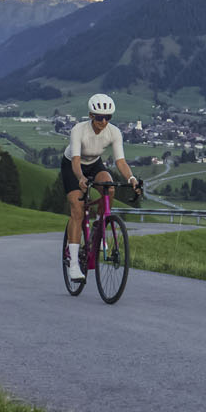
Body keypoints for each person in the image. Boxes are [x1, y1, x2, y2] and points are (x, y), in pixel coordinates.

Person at [62, 93, 142, 282]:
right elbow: (75, 161)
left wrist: (131, 178)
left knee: (109, 187)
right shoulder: (78, 130)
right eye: (99, 117)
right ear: (91, 116)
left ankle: (100, 223)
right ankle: (74, 264)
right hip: (73, 165)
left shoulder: (113, 132)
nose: (104, 121)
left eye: (108, 117)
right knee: (77, 209)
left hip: (95, 164)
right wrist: (80, 178)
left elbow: (120, 161)